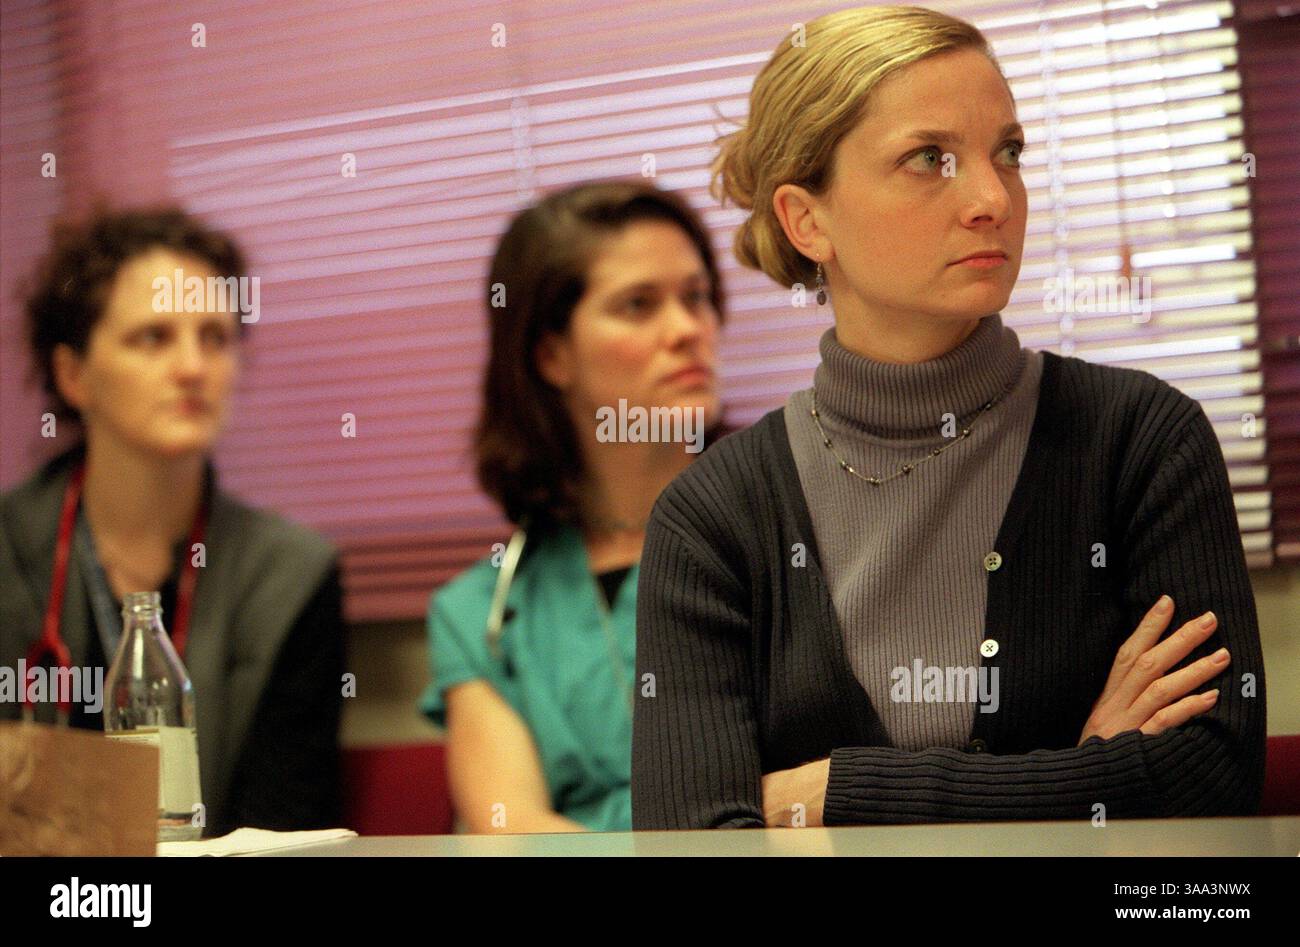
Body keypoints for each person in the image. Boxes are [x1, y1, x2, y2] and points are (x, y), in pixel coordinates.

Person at [631, 5, 1266, 829]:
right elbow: (691, 844)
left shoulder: (1140, 439)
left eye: (1009, 152)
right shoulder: (712, 517)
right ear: (806, 219)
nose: (992, 198)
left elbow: (1214, 781)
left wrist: (829, 795)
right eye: (930, 158)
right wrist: (1085, 775)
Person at [0, 207, 346, 837]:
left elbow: (285, 834)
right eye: (154, 337)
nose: (194, 367)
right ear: (73, 375)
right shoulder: (5, 549)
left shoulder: (292, 575)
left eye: (215, 337)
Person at [419, 181, 728, 833]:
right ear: (552, 354)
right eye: (639, 305)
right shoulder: (482, 613)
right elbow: (509, 832)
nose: (687, 329)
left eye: (696, 297)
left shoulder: (780, 543)